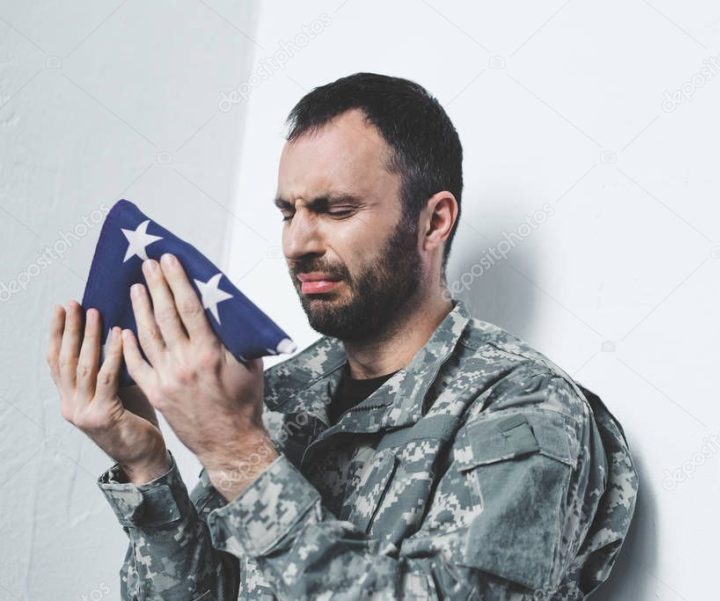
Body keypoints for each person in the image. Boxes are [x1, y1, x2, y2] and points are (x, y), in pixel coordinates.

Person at [46, 72, 638, 600]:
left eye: (335, 209)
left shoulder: (524, 409)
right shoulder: (276, 393)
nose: (297, 243)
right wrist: (148, 470)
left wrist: (237, 454)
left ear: (433, 221)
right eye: (288, 212)